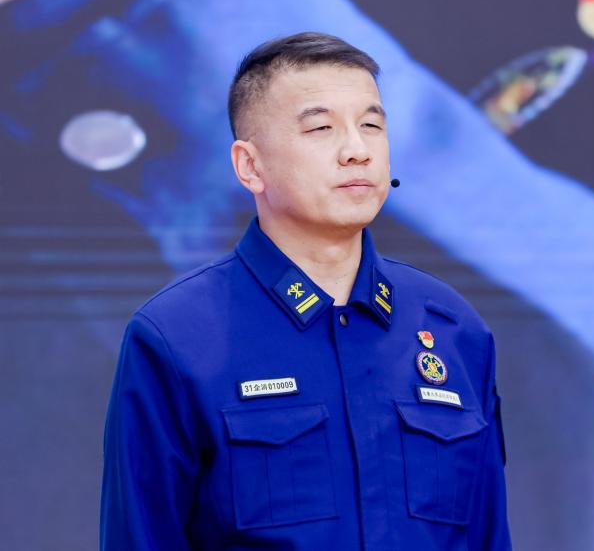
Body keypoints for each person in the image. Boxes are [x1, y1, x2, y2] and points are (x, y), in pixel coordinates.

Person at [100, 32, 511, 550]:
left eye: (371, 125)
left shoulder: (453, 329)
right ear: (250, 166)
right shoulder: (176, 336)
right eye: (321, 128)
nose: (357, 151)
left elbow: (488, 534)